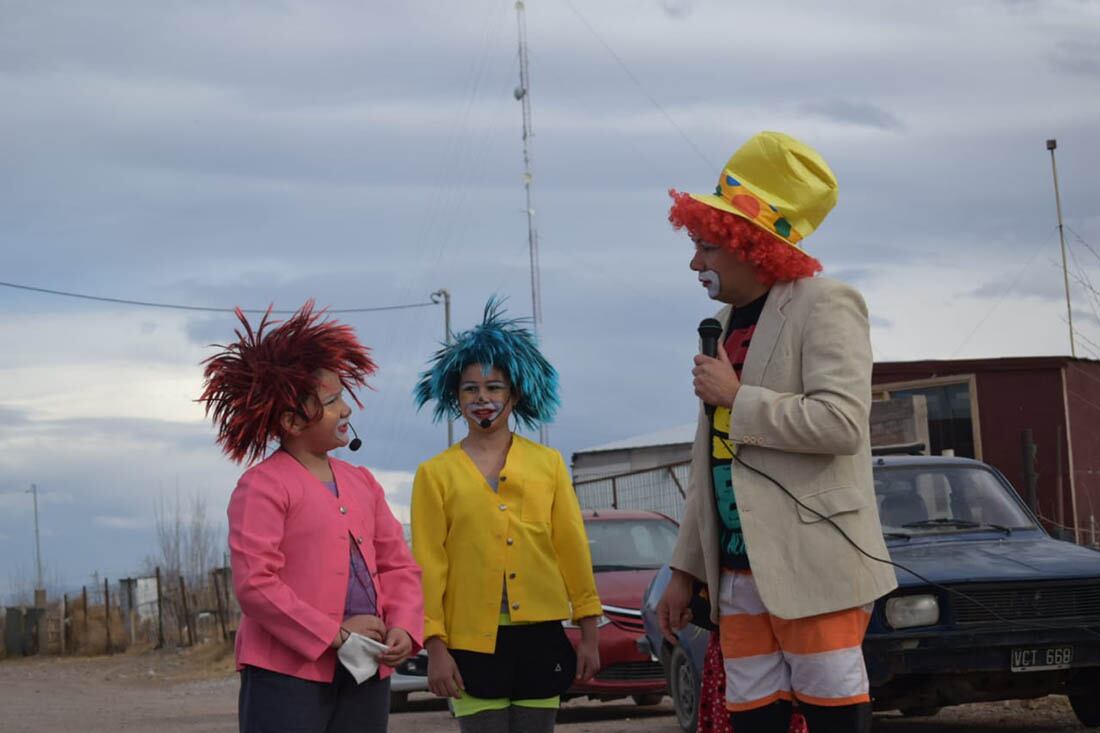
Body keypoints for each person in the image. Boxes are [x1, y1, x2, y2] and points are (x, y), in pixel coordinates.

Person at [656, 132, 897, 733]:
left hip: (814, 570)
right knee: (753, 722)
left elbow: (842, 423)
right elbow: (708, 462)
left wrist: (739, 399)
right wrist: (685, 570)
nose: (695, 264)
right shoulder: (718, 325)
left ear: (752, 246)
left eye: (707, 247)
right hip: (736, 576)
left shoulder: (827, 304)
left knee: (833, 718)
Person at [199, 301, 423, 733]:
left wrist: (404, 628)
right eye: (332, 401)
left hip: (366, 669)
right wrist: (338, 634)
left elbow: (398, 564)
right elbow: (256, 585)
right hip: (285, 675)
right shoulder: (262, 486)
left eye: (343, 397)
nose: (346, 410)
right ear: (291, 420)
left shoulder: (362, 482)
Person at [410, 298, 602, 733]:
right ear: (455, 397)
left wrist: (589, 632)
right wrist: (435, 645)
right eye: (470, 388)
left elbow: (571, 549)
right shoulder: (434, 474)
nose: (483, 398)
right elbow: (428, 565)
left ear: (514, 393)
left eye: (494, 387)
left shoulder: (548, 464)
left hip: (540, 636)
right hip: (470, 641)